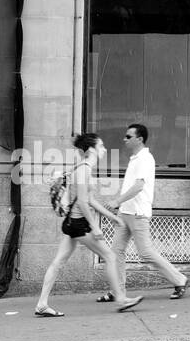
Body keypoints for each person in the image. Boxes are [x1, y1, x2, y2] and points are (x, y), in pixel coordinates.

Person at [35, 133, 144, 317]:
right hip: (79, 224)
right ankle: (121, 298)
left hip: (72, 223)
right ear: (92, 149)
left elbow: (90, 200)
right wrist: (95, 227)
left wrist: (112, 217)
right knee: (109, 256)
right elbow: (84, 203)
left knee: (58, 262)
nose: (104, 149)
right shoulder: (84, 169)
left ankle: (42, 304)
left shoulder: (83, 168)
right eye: (101, 146)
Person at [97, 123, 190, 302]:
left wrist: (116, 201)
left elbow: (139, 186)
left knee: (145, 253)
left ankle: (180, 279)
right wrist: (120, 205)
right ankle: (118, 292)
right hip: (126, 212)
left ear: (139, 139)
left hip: (138, 213)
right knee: (116, 253)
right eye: (125, 136)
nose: (124, 139)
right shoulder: (134, 159)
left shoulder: (145, 159)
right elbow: (131, 186)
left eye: (128, 136)